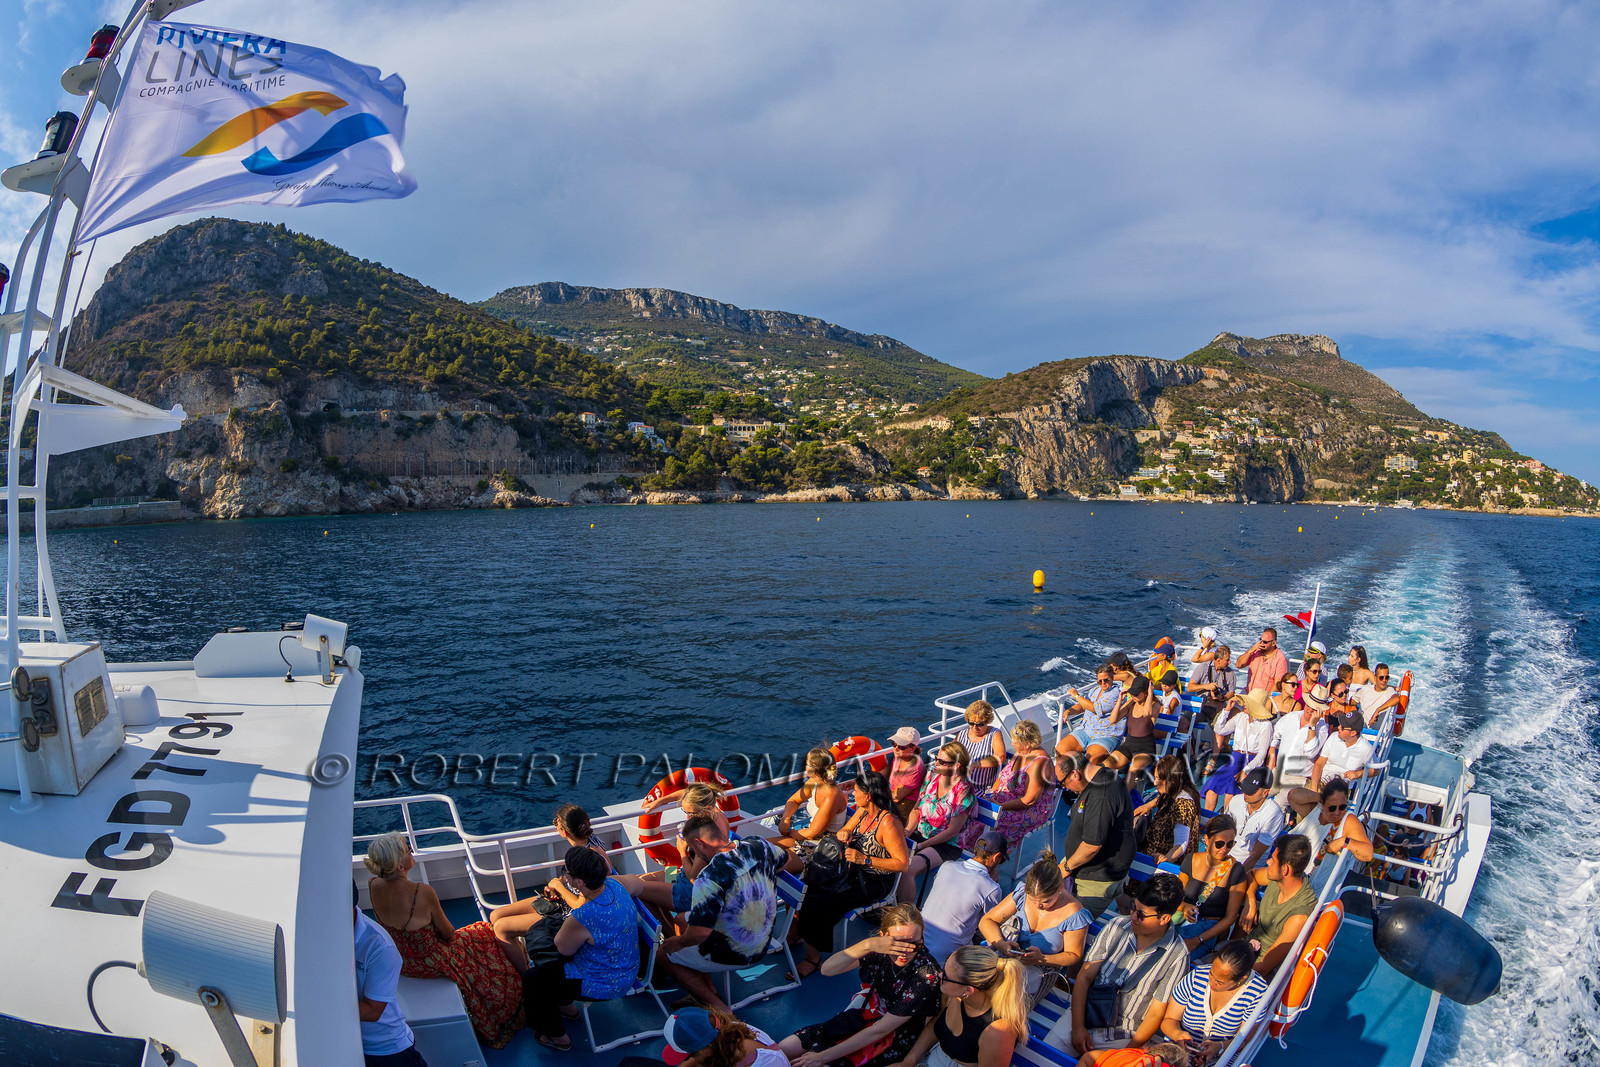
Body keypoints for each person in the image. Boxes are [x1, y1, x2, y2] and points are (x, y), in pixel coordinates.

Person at [365, 833, 523, 1047]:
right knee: (484, 931)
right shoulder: (422, 892)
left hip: (402, 961)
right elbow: (448, 934)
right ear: (400, 866)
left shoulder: (373, 884)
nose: (411, 850)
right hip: (432, 960)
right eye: (407, 849)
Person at [777, 904, 942, 1067]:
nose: (904, 952)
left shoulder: (925, 975)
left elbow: (880, 1031)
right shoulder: (879, 951)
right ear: (883, 937)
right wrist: (868, 945)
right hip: (865, 1016)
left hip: (894, 1035)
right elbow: (828, 970)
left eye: (914, 945)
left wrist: (821, 1057)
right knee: (784, 1048)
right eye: (896, 944)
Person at [664, 813, 802, 1008]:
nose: (694, 853)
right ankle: (705, 985)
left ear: (699, 843)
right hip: (765, 940)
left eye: (692, 849)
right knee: (680, 919)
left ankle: (716, 1005)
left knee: (664, 954)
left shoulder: (709, 878)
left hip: (735, 953)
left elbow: (700, 933)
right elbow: (787, 860)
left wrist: (678, 942)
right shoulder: (758, 846)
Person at [1044, 874, 1190, 1057]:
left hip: (1125, 1034)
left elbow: (1155, 1013)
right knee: (1044, 1057)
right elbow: (1085, 977)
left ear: (1165, 919)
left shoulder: (1177, 956)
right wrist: (1078, 1027)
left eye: (1141, 914)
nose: (1133, 916)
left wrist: (1126, 1054)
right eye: (1132, 907)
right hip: (1087, 1013)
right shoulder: (1117, 926)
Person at [523, 846, 640, 1050]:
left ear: (578, 882)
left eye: (566, 871)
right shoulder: (615, 885)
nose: (564, 875)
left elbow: (563, 949)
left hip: (607, 982)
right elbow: (638, 885)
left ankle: (558, 1037)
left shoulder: (584, 916)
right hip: (627, 967)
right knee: (552, 971)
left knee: (534, 978)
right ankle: (567, 1007)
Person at [795, 770, 911, 973]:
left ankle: (813, 958)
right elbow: (846, 829)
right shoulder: (863, 811)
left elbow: (903, 863)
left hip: (875, 881)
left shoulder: (888, 823)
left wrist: (865, 859)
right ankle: (801, 935)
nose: (852, 794)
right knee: (808, 887)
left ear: (868, 795)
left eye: (856, 791)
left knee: (823, 901)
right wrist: (845, 832)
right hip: (852, 872)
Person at [489, 804, 613, 970]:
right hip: (563, 899)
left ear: (564, 831)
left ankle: (526, 974)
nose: (555, 825)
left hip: (571, 914)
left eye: (557, 823)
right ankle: (522, 955)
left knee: (501, 928)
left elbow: (582, 906)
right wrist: (559, 885)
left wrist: (558, 886)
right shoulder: (589, 843)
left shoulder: (588, 859)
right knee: (496, 915)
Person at [979, 848, 1092, 1007]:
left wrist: (1042, 958)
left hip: (1040, 972)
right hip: (1005, 960)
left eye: (1046, 901)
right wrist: (1001, 944)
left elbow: (1074, 955)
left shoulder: (1074, 914)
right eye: (1032, 900)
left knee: (1005, 1006)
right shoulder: (1021, 894)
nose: (1039, 905)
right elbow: (987, 920)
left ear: (1060, 887)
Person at [895, 944, 1030, 1067]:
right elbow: (935, 1024)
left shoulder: (998, 1030)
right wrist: (909, 1061)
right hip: (931, 1059)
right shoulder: (954, 995)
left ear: (968, 990)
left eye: (946, 976)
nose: (939, 975)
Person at [354, 881, 429, 1067]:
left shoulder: (380, 947)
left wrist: (320, 1006)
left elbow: (373, 1011)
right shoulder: (323, 934)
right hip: (352, 1042)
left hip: (385, 1049)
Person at [1159, 939, 1270, 1064]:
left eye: (1220, 982)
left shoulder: (1256, 993)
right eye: (1211, 973)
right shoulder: (1196, 977)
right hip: (1179, 1052)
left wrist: (1220, 1047)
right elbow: (1169, 1020)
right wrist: (1177, 1034)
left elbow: (1243, 1040)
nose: (1211, 982)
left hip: (1222, 1057)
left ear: (1242, 979)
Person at [958, 721, 1059, 855]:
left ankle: (987, 855)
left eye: (1015, 741)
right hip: (1004, 800)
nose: (1012, 744)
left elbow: (1030, 800)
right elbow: (1001, 777)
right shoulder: (1021, 753)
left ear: (1027, 744)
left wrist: (1001, 806)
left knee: (992, 821)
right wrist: (991, 793)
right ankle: (968, 850)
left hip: (1029, 809)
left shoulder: (1040, 763)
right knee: (974, 810)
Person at [1058, 752, 1136, 918]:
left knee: (1070, 924)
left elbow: (1092, 846)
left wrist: (1065, 869)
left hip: (1096, 877)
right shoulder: (1099, 777)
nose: (1064, 788)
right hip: (1082, 865)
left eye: (1063, 783)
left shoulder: (1102, 795)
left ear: (1075, 774)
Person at [898, 742, 975, 903]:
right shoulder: (931, 777)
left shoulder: (964, 791)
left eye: (941, 761)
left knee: (908, 869)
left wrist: (920, 846)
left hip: (946, 844)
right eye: (936, 759)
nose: (936, 764)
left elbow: (952, 831)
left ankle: (905, 913)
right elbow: (917, 809)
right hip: (920, 834)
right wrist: (908, 831)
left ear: (957, 765)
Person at [920, 832, 1009, 964]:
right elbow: (989, 924)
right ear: (996, 857)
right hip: (949, 957)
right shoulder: (991, 889)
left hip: (919, 941)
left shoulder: (947, 866)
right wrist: (994, 881)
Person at [1237, 835, 1316, 975]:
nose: (1267, 862)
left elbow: (1264, 967)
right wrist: (1251, 903)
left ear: (1285, 869)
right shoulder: (1280, 878)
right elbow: (1251, 875)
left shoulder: (1299, 915)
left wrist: (1227, 971)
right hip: (1243, 949)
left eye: (1272, 860)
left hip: (1255, 971)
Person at [1282, 779, 1376, 895]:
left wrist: (1344, 841)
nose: (1337, 812)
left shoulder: (1348, 821)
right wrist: (1320, 797)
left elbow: (1368, 853)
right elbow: (1293, 796)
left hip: (1315, 893)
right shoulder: (1314, 810)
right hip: (1288, 881)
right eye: (1332, 807)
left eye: (1342, 807)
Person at [1176, 816, 1249, 958]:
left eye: (1230, 844)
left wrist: (1198, 940)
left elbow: (1229, 918)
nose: (1225, 849)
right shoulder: (1191, 859)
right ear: (1208, 840)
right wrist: (1184, 907)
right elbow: (1176, 897)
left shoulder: (1235, 871)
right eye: (1220, 843)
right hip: (1180, 920)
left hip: (1208, 930)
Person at [658, 1006, 791, 1067]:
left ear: (706, 1049)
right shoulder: (728, 1029)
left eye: (690, 1055)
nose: (689, 1060)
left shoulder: (763, 1063)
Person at [774, 747, 849, 849]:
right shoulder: (813, 783)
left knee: (768, 849)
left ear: (814, 770)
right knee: (766, 846)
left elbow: (811, 834)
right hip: (810, 837)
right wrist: (785, 819)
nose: (804, 766)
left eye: (806, 764)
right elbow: (794, 801)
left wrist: (787, 832)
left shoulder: (831, 796)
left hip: (824, 846)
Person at [1135, 755, 1202, 865]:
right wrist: (1148, 805)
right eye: (1155, 778)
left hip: (1159, 867)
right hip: (1149, 855)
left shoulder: (1184, 805)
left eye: (1159, 779)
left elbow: (1181, 843)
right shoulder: (1173, 791)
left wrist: (1165, 859)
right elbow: (1160, 799)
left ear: (1172, 780)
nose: (1155, 783)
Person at [1055, 663, 1127, 764]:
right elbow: (1083, 705)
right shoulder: (1095, 690)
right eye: (1100, 681)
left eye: (1106, 680)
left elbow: (1094, 708)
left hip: (1106, 734)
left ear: (1112, 678)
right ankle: (1063, 777)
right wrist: (1069, 711)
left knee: (1090, 761)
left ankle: (1083, 777)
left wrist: (1076, 696)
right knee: (1060, 750)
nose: (1103, 683)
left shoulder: (1116, 693)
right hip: (1086, 730)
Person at [1267, 683, 1326, 791]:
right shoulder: (1291, 717)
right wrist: (1272, 753)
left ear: (1320, 711)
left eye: (1314, 709)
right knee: (1258, 796)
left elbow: (1310, 753)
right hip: (1279, 771)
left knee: (1280, 805)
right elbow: (1276, 734)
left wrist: (1312, 726)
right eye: (1308, 706)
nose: (1310, 710)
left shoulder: (1321, 728)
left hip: (1298, 777)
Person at [1223, 770, 1284, 871]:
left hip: (1248, 868)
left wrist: (1237, 876)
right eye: (1245, 788)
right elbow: (1223, 830)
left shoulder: (1274, 814)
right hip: (1225, 856)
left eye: (1251, 791)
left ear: (1265, 792)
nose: (1245, 793)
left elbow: (1255, 856)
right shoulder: (1236, 800)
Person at [1106, 675, 1159, 781]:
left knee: (1133, 769)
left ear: (1145, 692)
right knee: (1106, 764)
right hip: (1128, 746)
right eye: (1132, 692)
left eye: (1136, 693)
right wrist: (1120, 701)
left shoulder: (1155, 705)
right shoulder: (1131, 703)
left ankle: (1124, 796)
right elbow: (1113, 719)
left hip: (1145, 749)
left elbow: (1147, 713)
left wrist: (1150, 694)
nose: (1133, 695)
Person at [1308, 712, 1377, 787]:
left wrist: (1358, 774)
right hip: (1322, 782)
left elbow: (1375, 771)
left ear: (1353, 733)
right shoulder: (1333, 737)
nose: (1338, 727)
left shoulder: (1366, 748)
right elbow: (1319, 763)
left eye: (1342, 727)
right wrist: (1314, 787)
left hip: (1340, 789)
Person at [957, 700, 1009, 786]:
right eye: (971, 723)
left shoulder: (994, 734)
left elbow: (1000, 757)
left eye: (979, 724)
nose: (974, 728)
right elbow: (950, 754)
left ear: (987, 721)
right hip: (960, 784)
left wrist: (976, 765)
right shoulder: (962, 735)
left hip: (980, 788)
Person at [887, 727, 929, 822]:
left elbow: (896, 798)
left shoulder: (915, 768)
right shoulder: (899, 757)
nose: (896, 748)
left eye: (901, 746)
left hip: (906, 806)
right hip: (893, 797)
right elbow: (883, 773)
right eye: (894, 744)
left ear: (913, 748)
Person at [1235, 628, 1288, 695]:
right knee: (1233, 704)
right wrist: (1250, 651)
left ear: (1273, 643)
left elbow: (1278, 684)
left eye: (1265, 642)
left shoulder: (1280, 659)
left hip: (1265, 698)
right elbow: (1238, 665)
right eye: (1261, 640)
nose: (1262, 644)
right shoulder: (1255, 652)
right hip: (1248, 693)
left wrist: (1265, 700)